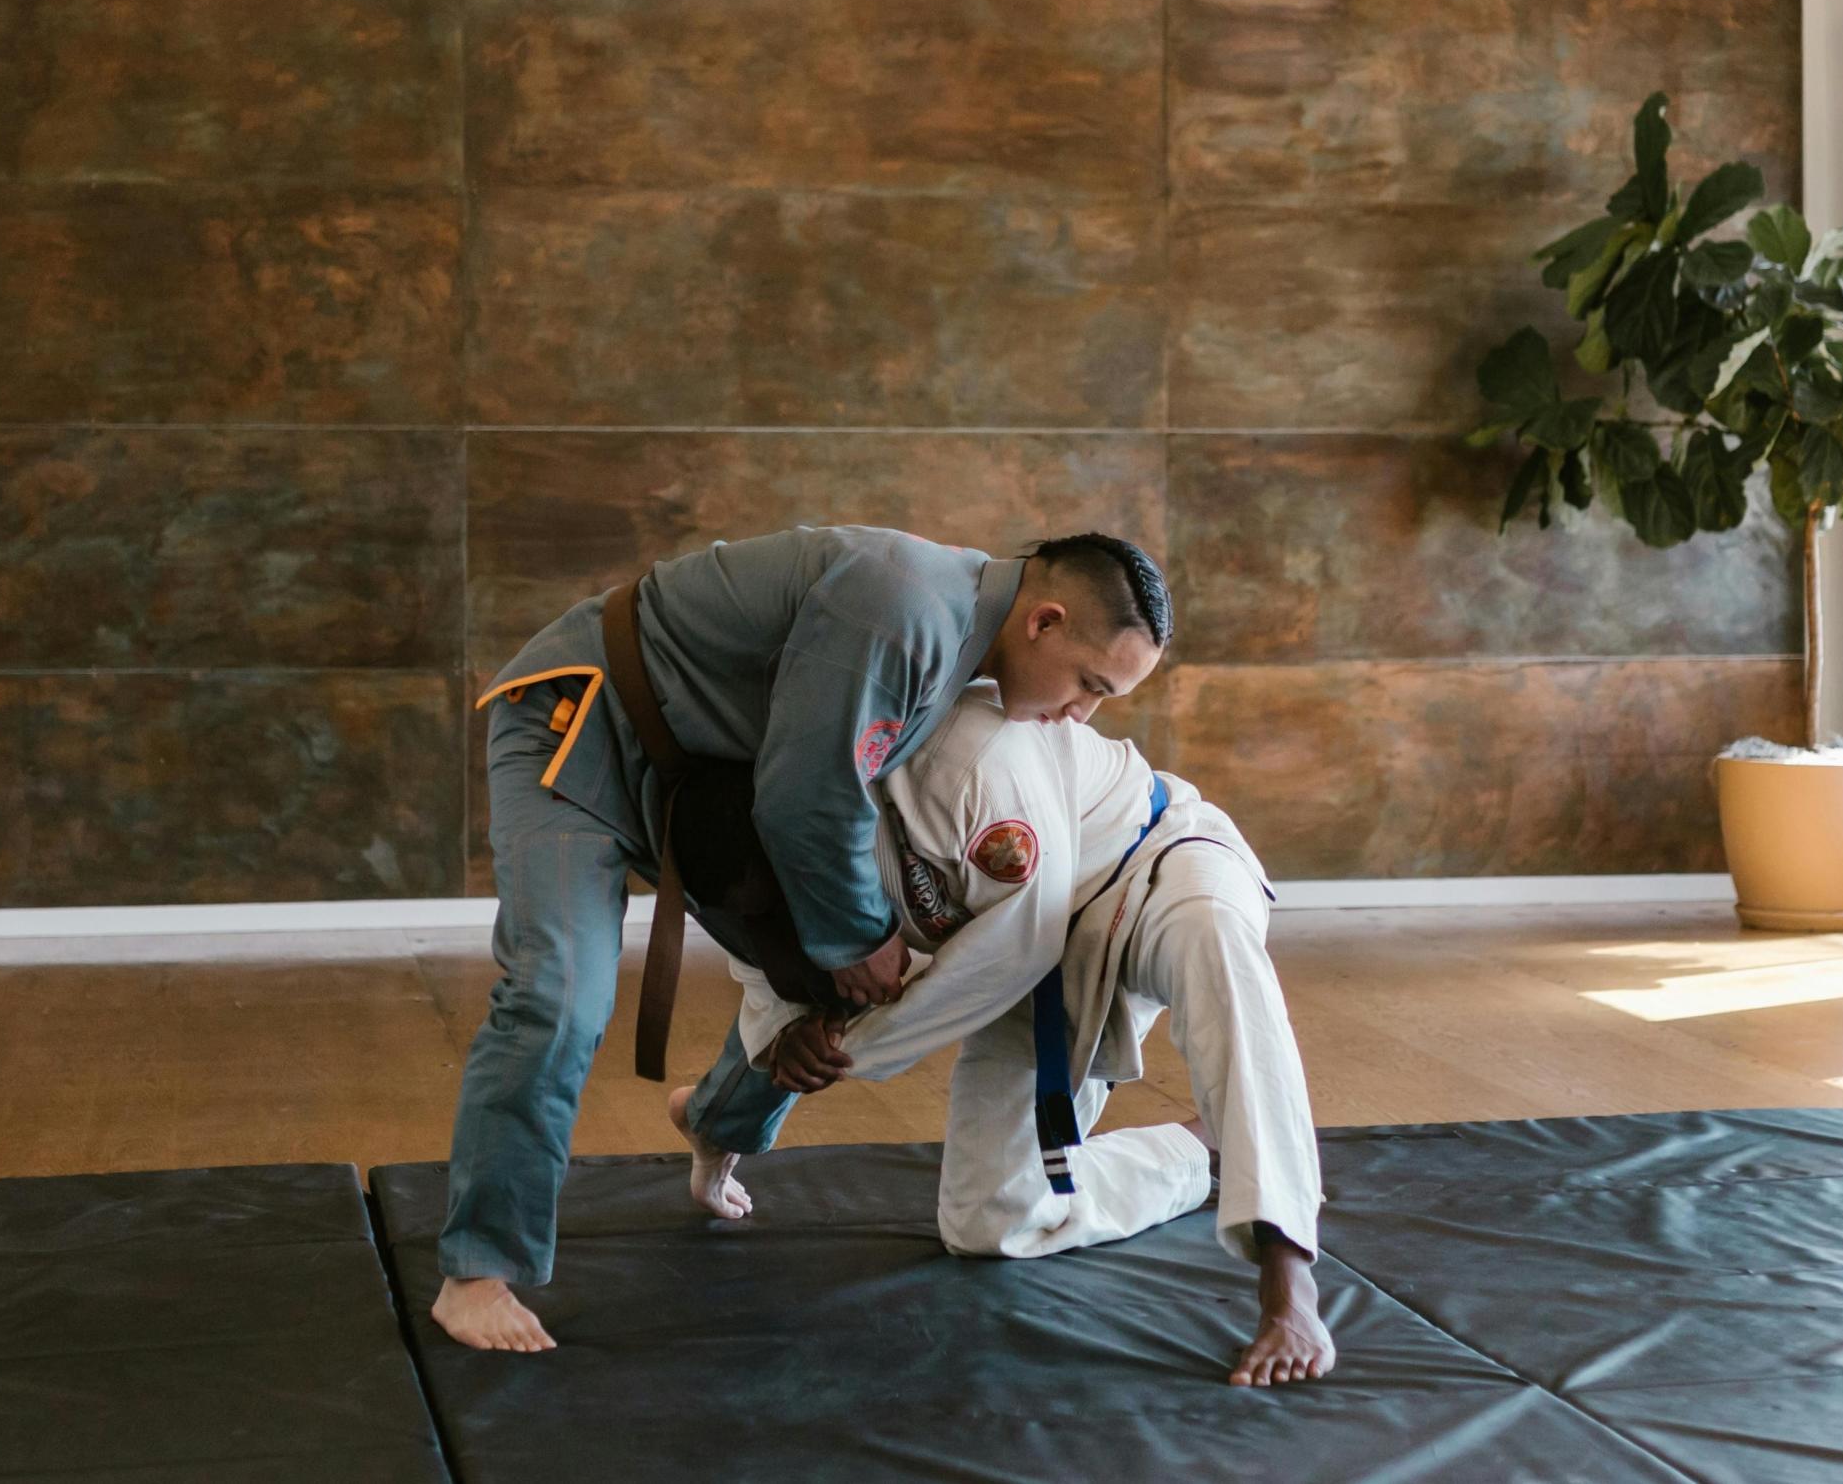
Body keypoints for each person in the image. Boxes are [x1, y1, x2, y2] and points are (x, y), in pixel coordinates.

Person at [434, 526, 1171, 1352]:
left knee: (822, 989)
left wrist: (855, 953)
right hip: (579, 728)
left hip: (697, 776)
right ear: (1044, 621)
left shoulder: (964, 642)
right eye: (1089, 683)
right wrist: (860, 938)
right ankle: (477, 1269)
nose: (1083, 713)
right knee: (559, 992)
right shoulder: (908, 609)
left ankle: (716, 1120)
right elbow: (807, 800)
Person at [667, 685, 1333, 1387]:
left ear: (804, 843)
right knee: (990, 1223)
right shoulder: (743, 875)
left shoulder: (958, 762)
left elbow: (996, 961)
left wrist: (844, 1045)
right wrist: (775, 1051)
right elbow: (768, 982)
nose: (777, 920)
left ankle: (1290, 1281)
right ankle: (1202, 1145)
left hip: (1149, 862)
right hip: (1034, 958)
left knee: (1215, 940)